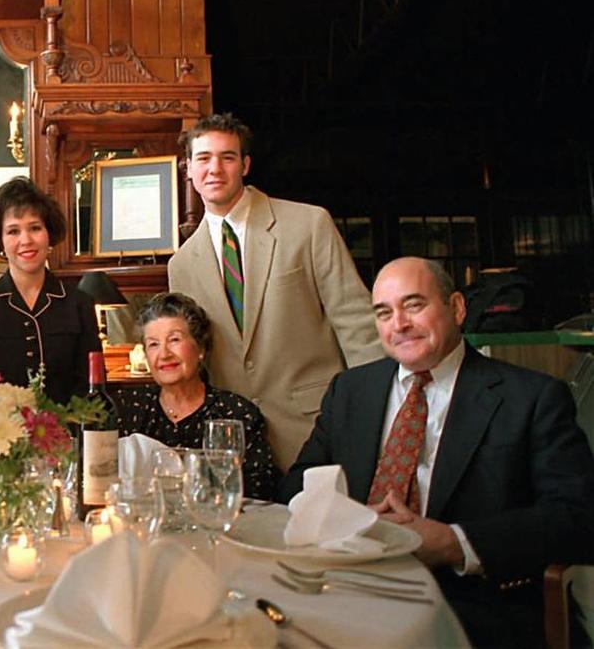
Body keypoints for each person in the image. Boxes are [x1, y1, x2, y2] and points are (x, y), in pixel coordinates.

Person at [277, 257, 594, 647]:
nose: (399, 324)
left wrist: (452, 542)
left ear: (457, 308)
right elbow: (295, 488)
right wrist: (349, 520)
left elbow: (578, 518)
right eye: (384, 312)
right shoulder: (349, 391)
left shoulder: (531, 397)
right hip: (351, 590)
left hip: (475, 604)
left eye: (414, 305)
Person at [168, 113, 381, 470]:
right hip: (235, 447)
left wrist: (377, 416)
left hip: (317, 428)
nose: (215, 168)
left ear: (246, 165)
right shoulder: (182, 265)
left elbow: (357, 323)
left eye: (228, 157)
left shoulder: (308, 224)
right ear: (188, 169)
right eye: (203, 158)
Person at [112, 293, 279, 500]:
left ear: (200, 348)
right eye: (153, 344)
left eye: (174, 340)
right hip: (145, 525)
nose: (164, 354)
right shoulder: (129, 407)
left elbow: (260, 489)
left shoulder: (235, 412)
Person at [0, 177, 101, 404]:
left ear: (49, 234)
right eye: (13, 231)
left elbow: (92, 388)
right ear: (0, 241)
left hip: (68, 435)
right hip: (0, 435)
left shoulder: (79, 303)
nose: (26, 240)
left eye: (35, 228)